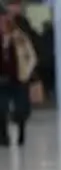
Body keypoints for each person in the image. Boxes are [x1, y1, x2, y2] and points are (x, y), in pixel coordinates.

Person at [0, 10, 35, 147]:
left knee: (21, 109)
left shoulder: (20, 37)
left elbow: (31, 56)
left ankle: (21, 131)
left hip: (18, 78)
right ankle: (3, 137)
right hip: (1, 81)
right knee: (1, 109)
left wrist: (27, 71)